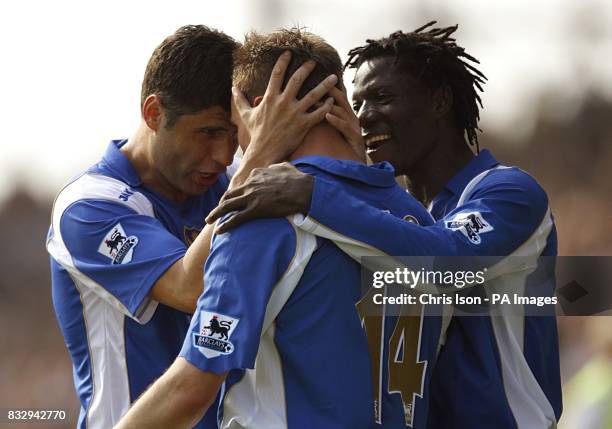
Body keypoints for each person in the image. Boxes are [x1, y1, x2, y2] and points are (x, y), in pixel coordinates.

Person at [208, 22, 562, 429]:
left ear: (440, 101)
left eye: (382, 98)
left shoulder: (510, 193)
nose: (365, 117)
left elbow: (445, 261)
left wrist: (313, 194)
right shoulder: (395, 213)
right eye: (356, 104)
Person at [115, 28, 436, 429]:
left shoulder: (263, 213)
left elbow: (192, 386)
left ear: (262, 111)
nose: (235, 150)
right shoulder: (415, 216)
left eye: (235, 127)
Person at [46, 25, 338, 429]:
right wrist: (260, 153)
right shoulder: (87, 208)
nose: (223, 155)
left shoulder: (232, 180)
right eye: (209, 133)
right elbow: (192, 286)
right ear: (154, 113)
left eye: (236, 134)